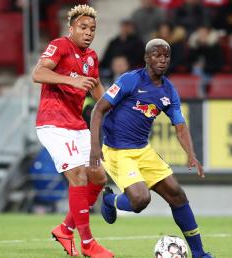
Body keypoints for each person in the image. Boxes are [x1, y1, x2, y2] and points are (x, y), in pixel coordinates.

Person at [90, 38, 213, 258]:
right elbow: (98, 110)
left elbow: (180, 127)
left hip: (143, 149)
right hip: (117, 150)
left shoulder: (168, 91)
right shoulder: (130, 80)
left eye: (166, 55)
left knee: (177, 195)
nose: (162, 59)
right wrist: (95, 146)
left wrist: (191, 155)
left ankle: (200, 253)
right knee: (140, 200)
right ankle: (109, 200)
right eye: (157, 55)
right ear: (147, 58)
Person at [32, 5, 114, 258]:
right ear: (71, 28)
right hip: (53, 123)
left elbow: (97, 89)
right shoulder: (60, 45)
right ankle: (88, 243)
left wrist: (117, 112)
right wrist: (71, 79)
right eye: (83, 27)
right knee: (78, 174)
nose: (88, 32)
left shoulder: (92, 58)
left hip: (77, 124)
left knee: (98, 177)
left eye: (92, 29)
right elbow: (38, 73)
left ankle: (65, 229)